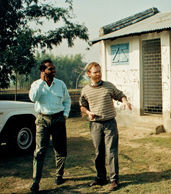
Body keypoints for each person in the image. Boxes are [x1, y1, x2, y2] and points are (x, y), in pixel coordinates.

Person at [79, 62, 132, 191]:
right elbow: (82, 106)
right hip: (95, 125)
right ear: (89, 74)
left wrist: (125, 101)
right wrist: (88, 112)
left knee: (112, 151)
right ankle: (101, 178)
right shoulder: (85, 90)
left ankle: (114, 180)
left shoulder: (108, 86)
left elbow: (120, 95)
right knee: (99, 152)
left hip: (110, 124)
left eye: (99, 71)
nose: (98, 74)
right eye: (95, 72)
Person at [29, 59, 71, 192]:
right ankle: (36, 181)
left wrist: (65, 115)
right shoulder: (36, 84)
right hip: (43, 120)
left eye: (53, 68)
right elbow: (34, 98)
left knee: (60, 150)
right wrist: (41, 82)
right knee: (40, 152)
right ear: (43, 71)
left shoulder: (60, 84)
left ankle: (59, 176)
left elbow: (67, 100)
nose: (53, 71)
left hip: (58, 119)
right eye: (50, 69)